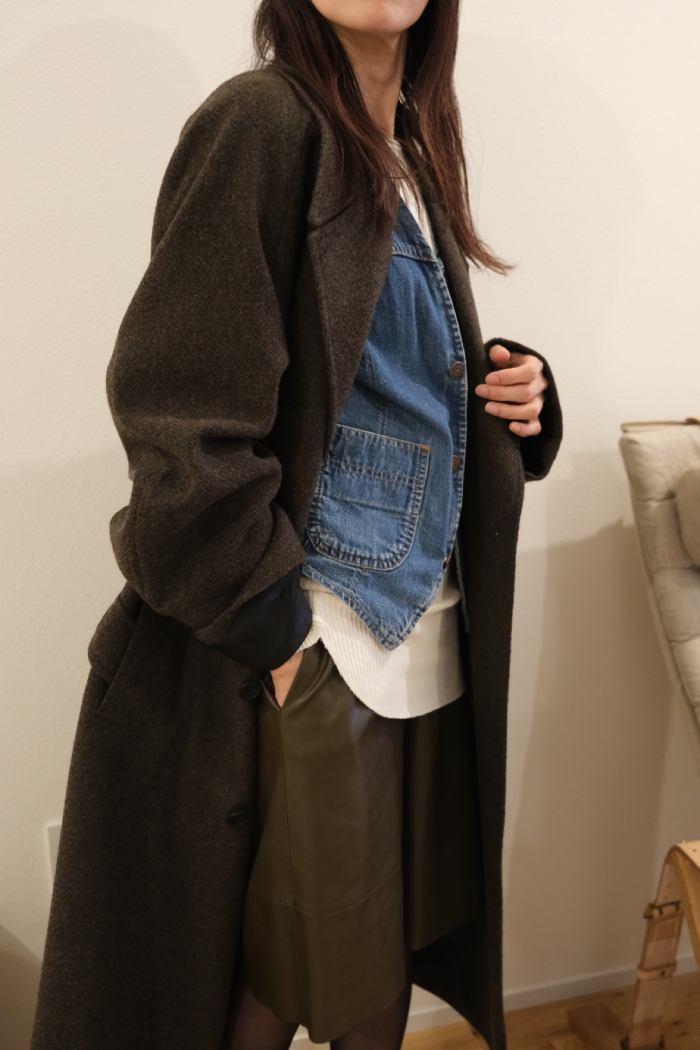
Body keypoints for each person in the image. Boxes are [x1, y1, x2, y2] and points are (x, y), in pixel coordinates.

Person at [31, 2, 562, 1050]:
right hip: (322, 639)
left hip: (422, 637)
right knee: (297, 977)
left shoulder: (408, 145)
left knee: (376, 955)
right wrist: (274, 630)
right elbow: (177, 411)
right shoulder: (263, 123)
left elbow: (370, 376)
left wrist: (519, 390)